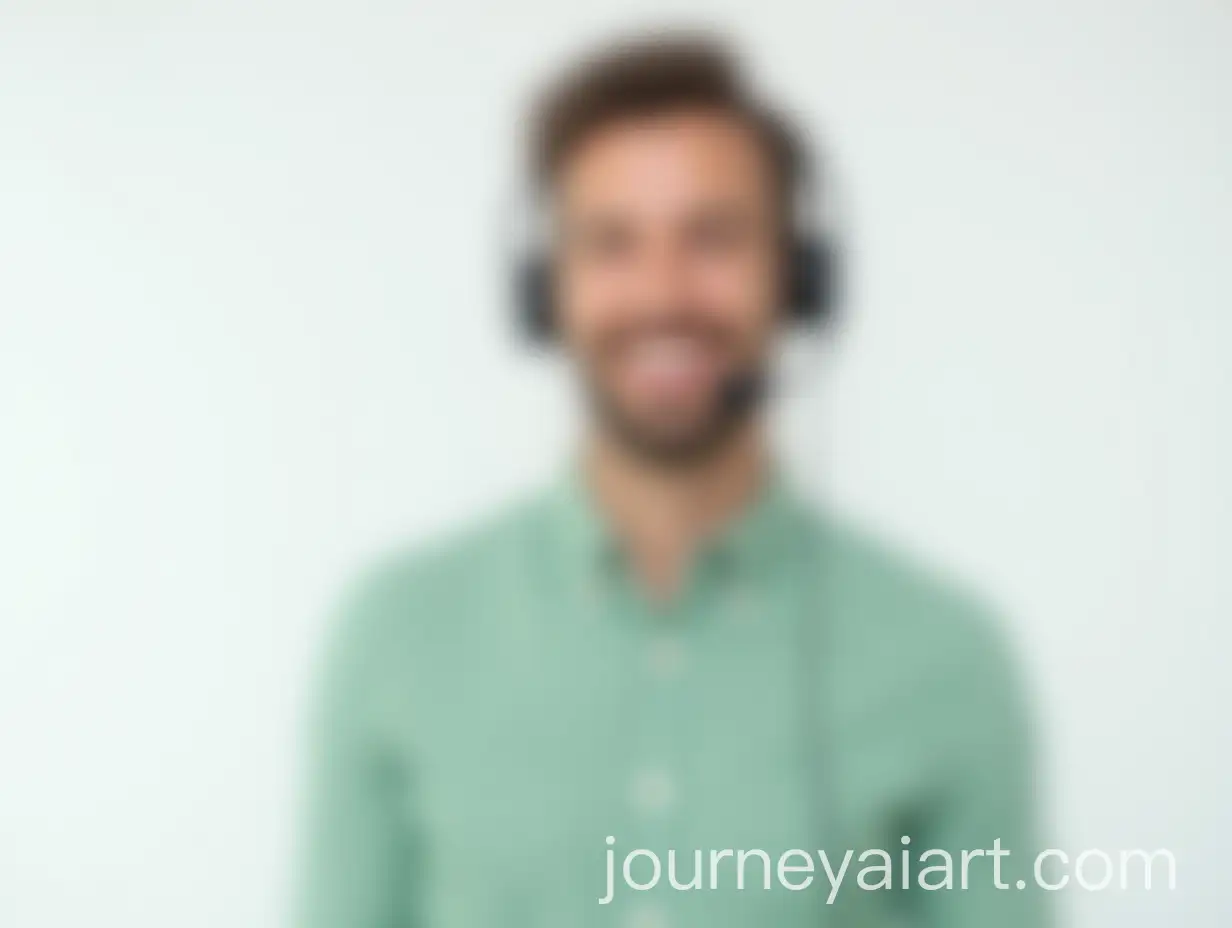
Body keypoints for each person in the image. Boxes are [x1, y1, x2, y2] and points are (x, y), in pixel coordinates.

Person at [296, 33, 1048, 928]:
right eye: (611, 243)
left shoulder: (945, 654)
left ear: (799, 280)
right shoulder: (398, 634)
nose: (663, 292)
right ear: (545, 289)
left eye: (714, 237)